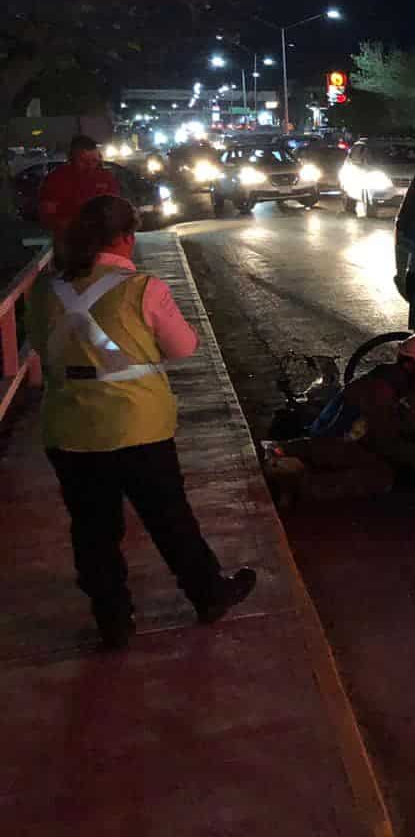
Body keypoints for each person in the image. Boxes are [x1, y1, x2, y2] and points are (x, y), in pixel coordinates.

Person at [29, 195, 255, 650]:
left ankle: (112, 620)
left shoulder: (45, 289)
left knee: (92, 528)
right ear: (126, 238)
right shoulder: (143, 288)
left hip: (70, 427)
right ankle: (208, 594)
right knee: (170, 518)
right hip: (138, 425)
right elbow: (183, 347)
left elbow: (37, 343)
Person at [264, 332, 415, 508]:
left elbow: (406, 429)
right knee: (381, 476)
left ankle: (284, 453)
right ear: (410, 365)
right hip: (334, 439)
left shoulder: (402, 389)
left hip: (353, 439)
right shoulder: (380, 389)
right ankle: (294, 486)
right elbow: (383, 441)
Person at [38, 135, 119, 248]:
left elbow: (115, 208)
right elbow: (47, 215)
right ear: (71, 159)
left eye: (94, 160)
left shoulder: (106, 177)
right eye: (83, 161)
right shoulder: (56, 179)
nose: (90, 165)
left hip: (102, 243)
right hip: (69, 244)